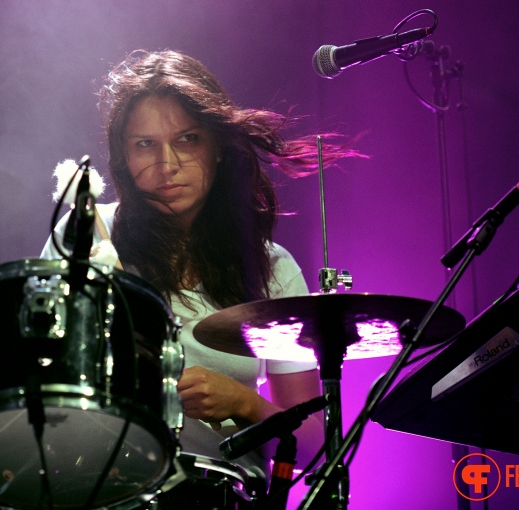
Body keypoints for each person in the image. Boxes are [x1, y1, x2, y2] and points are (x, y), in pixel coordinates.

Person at [40, 49, 361, 503]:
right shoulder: (85, 234)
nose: (166, 164)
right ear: (123, 159)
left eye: (187, 139)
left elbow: (311, 444)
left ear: (217, 149)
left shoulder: (272, 269)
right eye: (144, 144)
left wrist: (245, 404)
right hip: (96, 486)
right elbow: (38, 382)